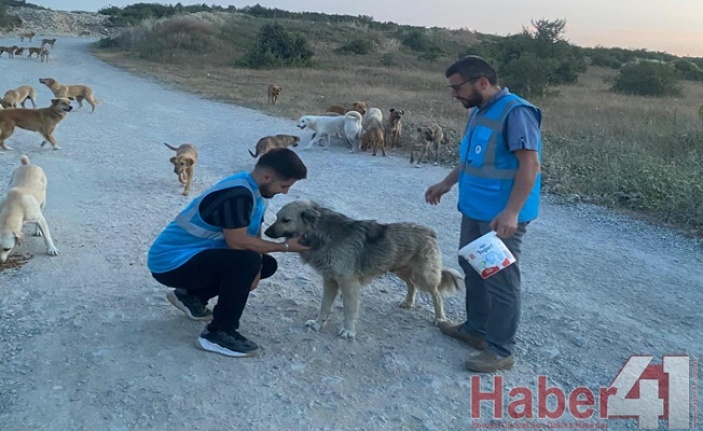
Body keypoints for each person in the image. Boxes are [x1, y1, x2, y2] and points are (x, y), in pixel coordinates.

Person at [425, 55, 542, 373]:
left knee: (500, 279)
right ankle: (475, 331)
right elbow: (472, 159)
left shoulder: (516, 112)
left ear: (481, 82)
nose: (454, 94)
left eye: (457, 87)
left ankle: (501, 349)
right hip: (475, 209)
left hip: (500, 217)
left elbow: (529, 165)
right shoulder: (478, 111)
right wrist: (446, 183)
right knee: (472, 267)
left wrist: (512, 212)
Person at [148, 148, 310, 358]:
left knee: (264, 264)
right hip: (170, 262)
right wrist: (286, 247)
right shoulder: (238, 194)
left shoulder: (255, 189)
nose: (286, 192)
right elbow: (237, 242)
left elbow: (254, 232)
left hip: (194, 255)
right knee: (246, 261)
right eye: (284, 185)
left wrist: (258, 270)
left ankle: (190, 296)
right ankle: (218, 334)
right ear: (267, 177)